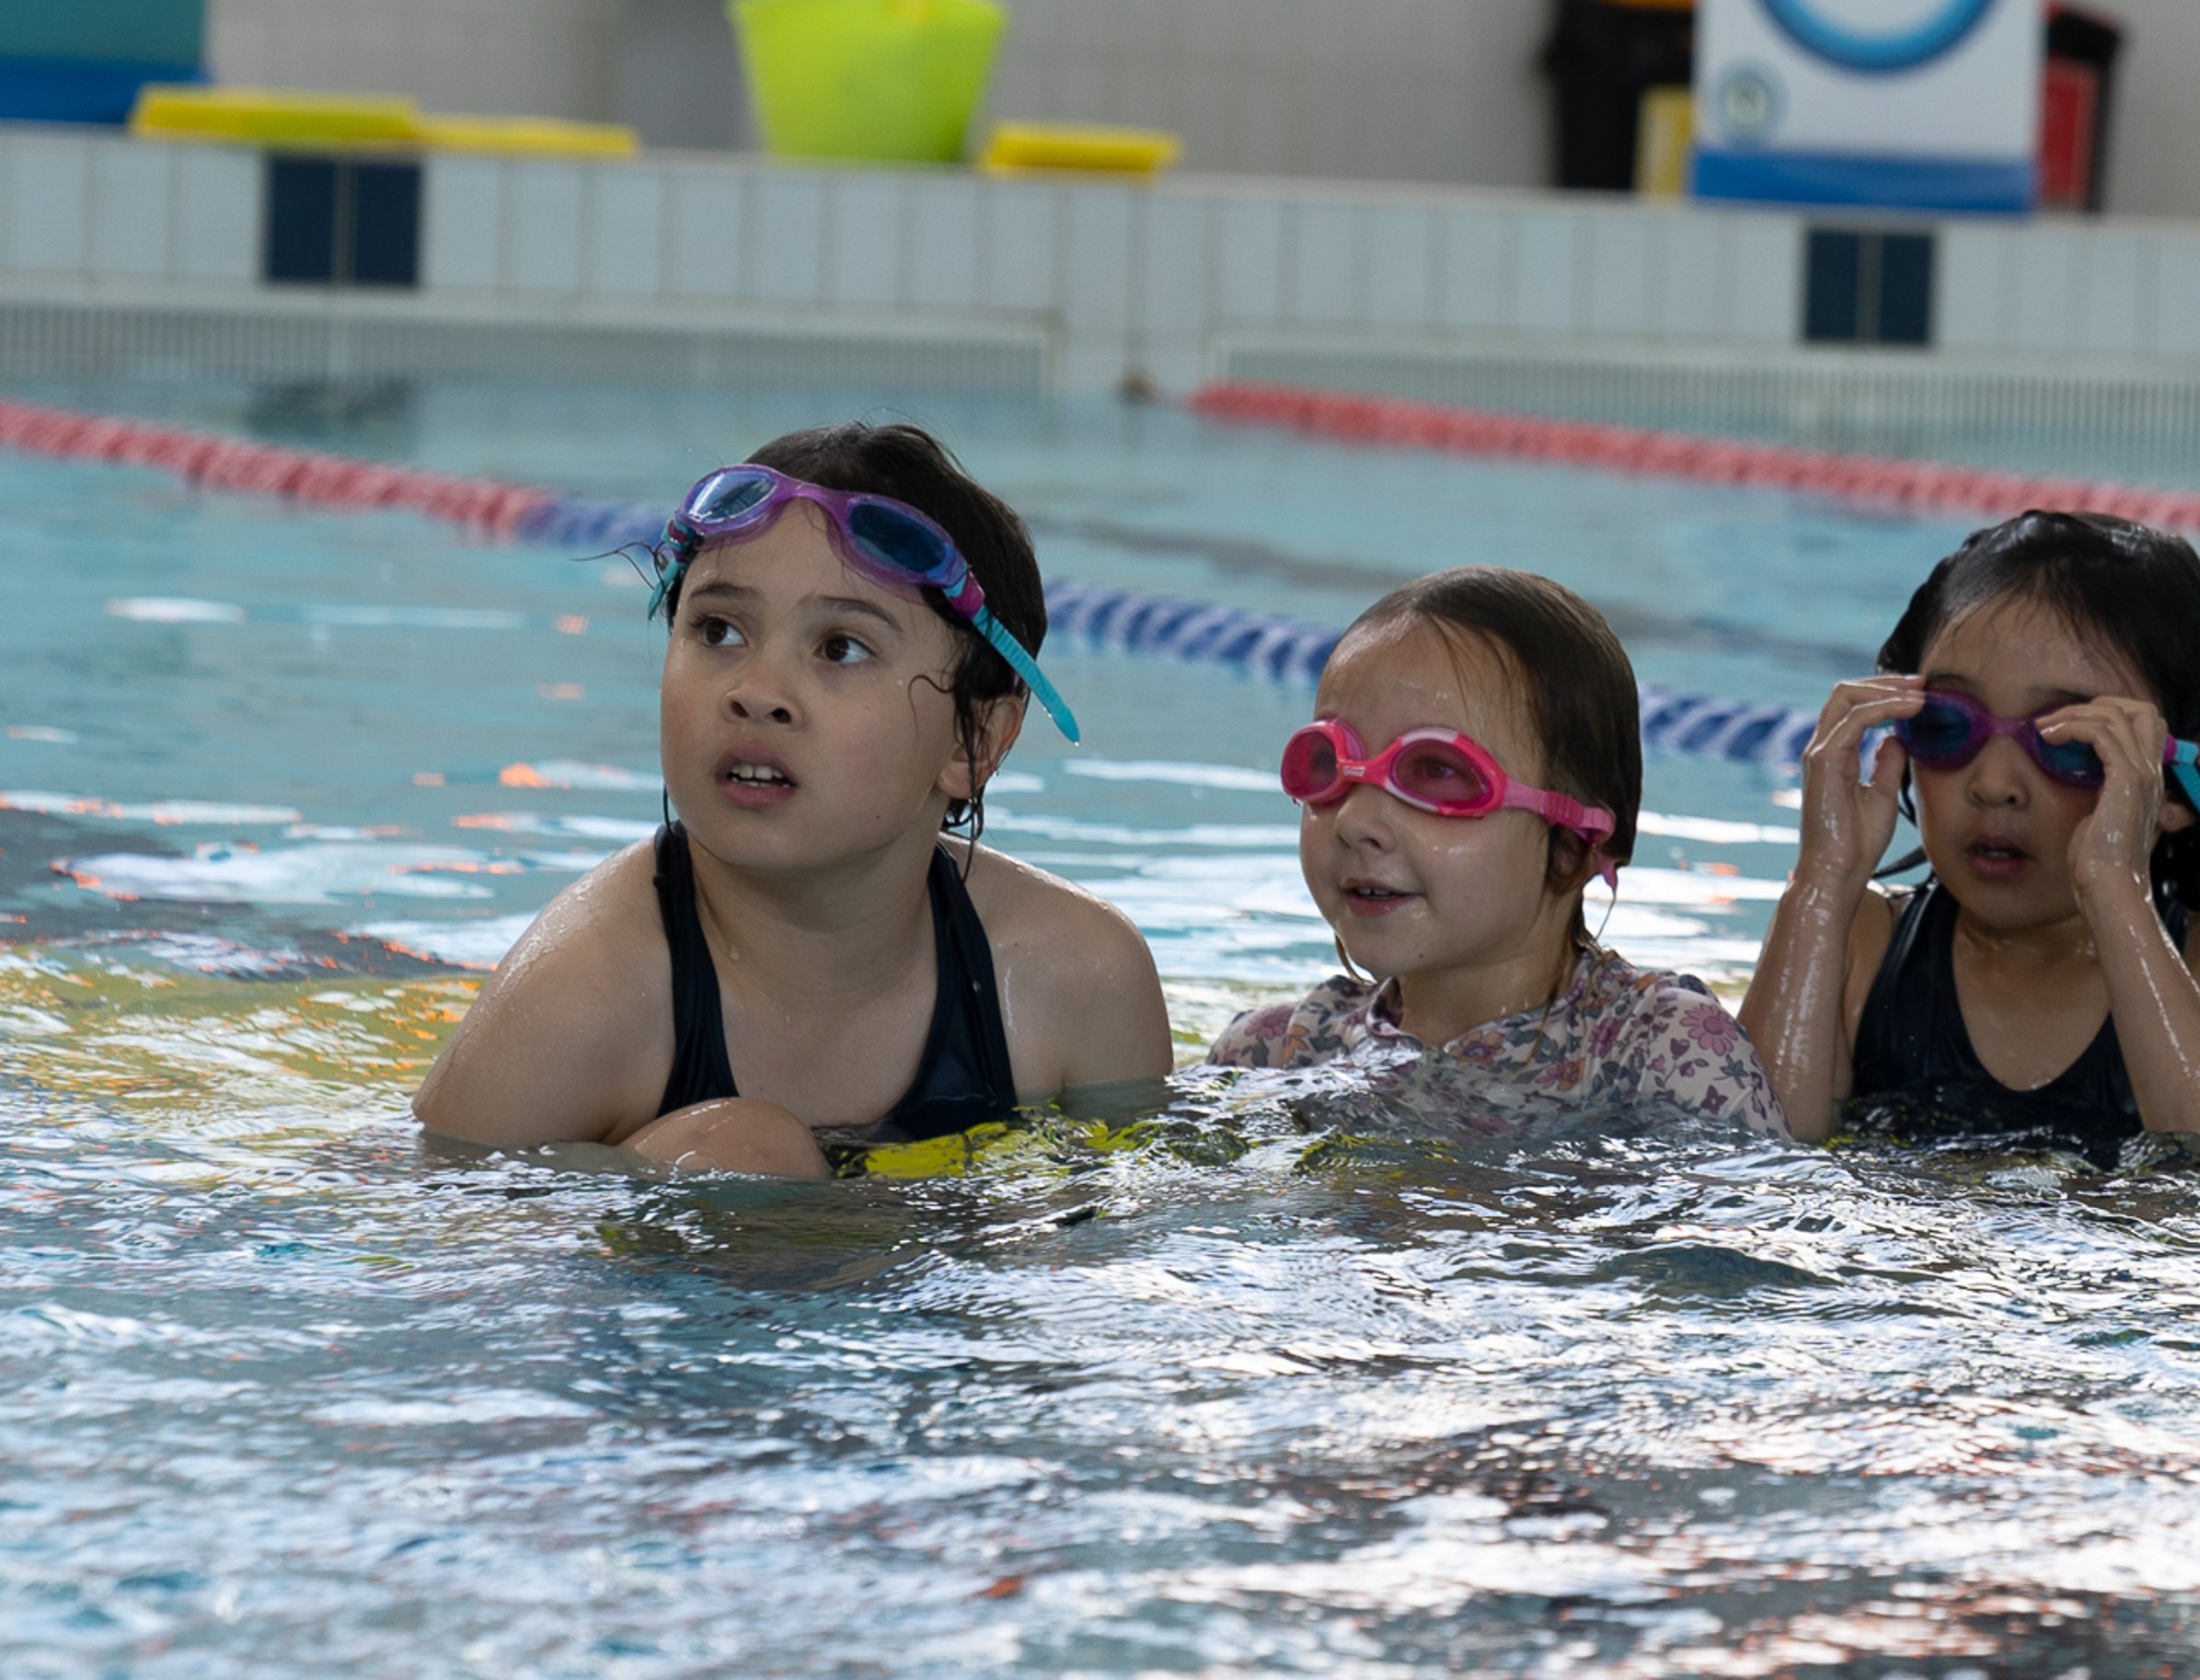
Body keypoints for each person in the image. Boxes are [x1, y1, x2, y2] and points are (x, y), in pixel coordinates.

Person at [414, 423, 1173, 1177]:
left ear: (971, 739)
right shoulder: (585, 994)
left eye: (840, 646)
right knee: (741, 1154)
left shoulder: (1078, 981)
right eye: (717, 630)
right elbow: (420, 1235)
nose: (757, 692)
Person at [1737, 511, 2200, 1155]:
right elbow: (1752, 1161)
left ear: (2177, 792)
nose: (1994, 783)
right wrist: (1821, 883)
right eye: (1946, 723)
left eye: (2072, 740)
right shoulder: (1859, 940)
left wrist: (2115, 892)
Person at [1208, 566, 1785, 1140]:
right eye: (1329, 764)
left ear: (1576, 844)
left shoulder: (1663, 1055)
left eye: (1436, 772)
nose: (1356, 822)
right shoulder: (1276, 1053)